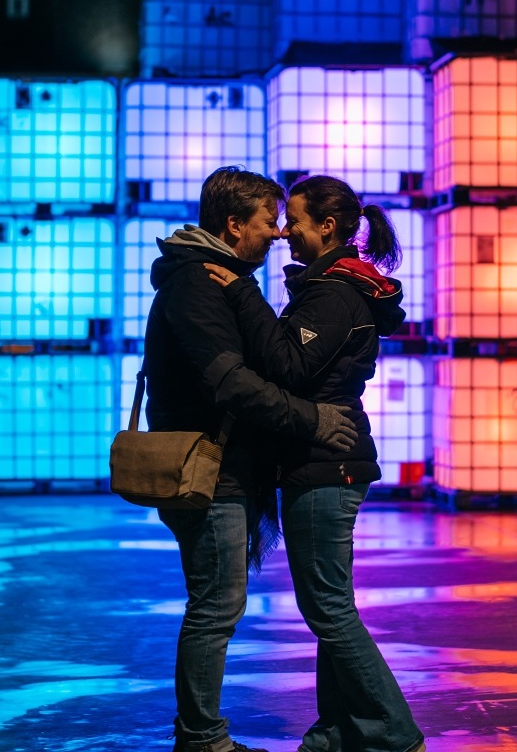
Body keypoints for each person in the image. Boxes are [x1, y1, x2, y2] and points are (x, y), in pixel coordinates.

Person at [144, 165, 363, 752]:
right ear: (236, 224)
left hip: (226, 467)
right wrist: (310, 418)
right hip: (209, 469)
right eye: (272, 222)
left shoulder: (223, 280)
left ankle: (203, 734)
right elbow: (232, 383)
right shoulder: (197, 285)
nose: (280, 234)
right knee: (216, 605)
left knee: (218, 602)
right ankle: (201, 739)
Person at [204, 174, 426, 752]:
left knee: (327, 608)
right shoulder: (324, 286)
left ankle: (396, 734)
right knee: (331, 606)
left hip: (327, 464)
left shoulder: (331, 295)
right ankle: (339, 729)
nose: (283, 233)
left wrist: (242, 293)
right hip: (319, 464)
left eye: (295, 223)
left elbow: (288, 367)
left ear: (327, 228)